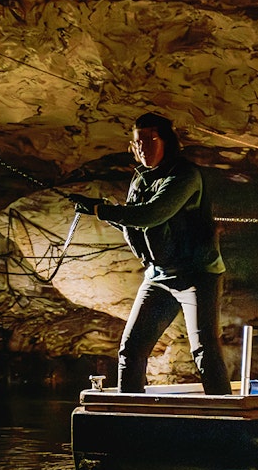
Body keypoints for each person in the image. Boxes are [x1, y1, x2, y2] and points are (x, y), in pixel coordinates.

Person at [67, 112, 231, 394]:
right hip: (159, 276)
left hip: (197, 274)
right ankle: (129, 413)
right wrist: (101, 209)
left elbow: (152, 214)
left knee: (204, 350)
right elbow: (133, 221)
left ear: (166, 141)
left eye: (150, 140)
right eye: (137, 142)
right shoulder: (140, 178)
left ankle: (227, 416)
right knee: (131, 349)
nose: (143, 148)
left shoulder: (185, 176)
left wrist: (100, 210)